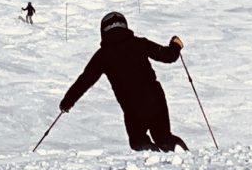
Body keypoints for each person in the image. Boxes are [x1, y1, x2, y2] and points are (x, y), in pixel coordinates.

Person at [59, 10, 187, 151]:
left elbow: (85, 81)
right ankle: (183, 157)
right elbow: (168, 56)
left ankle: (152, 159)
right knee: (163, 138)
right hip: (155, 99)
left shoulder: (103, 56)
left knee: (138, 142)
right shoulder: (139, 43)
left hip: (132, 107)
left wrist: (68, 101)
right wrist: (175, 45)